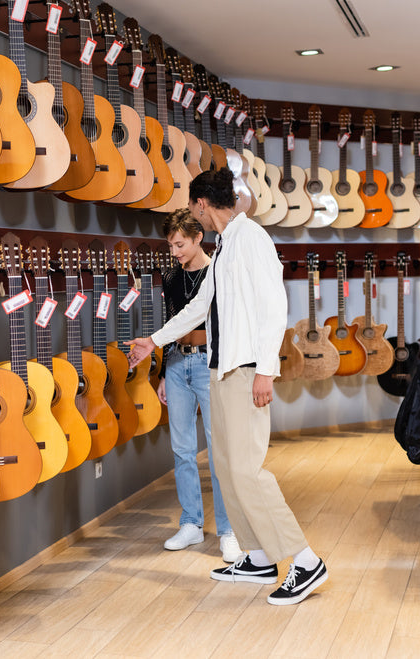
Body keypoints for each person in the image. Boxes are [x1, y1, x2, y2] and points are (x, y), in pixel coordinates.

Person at [126, 168, 327, 606]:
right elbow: (200, 307)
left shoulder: (251, 239)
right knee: (226, 467)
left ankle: (306, 561)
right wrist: (154, 341)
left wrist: (265, 370)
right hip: (222, 371)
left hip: (246, 370)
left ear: (200, 205)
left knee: (248, 471)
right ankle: (257, 556)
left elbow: (276, 305)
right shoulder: (226, 246)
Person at [158, 209, 241, 562]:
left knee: (219, 449)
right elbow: (170, 322)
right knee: (182, 449)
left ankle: (228, 530)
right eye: (170, 245)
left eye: (179, 244)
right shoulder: (170, 277)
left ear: (196, 238)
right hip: (177, 363)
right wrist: (163, 371)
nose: (174, 251)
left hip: (209, 363)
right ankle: (191, 523)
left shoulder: (219, 272)